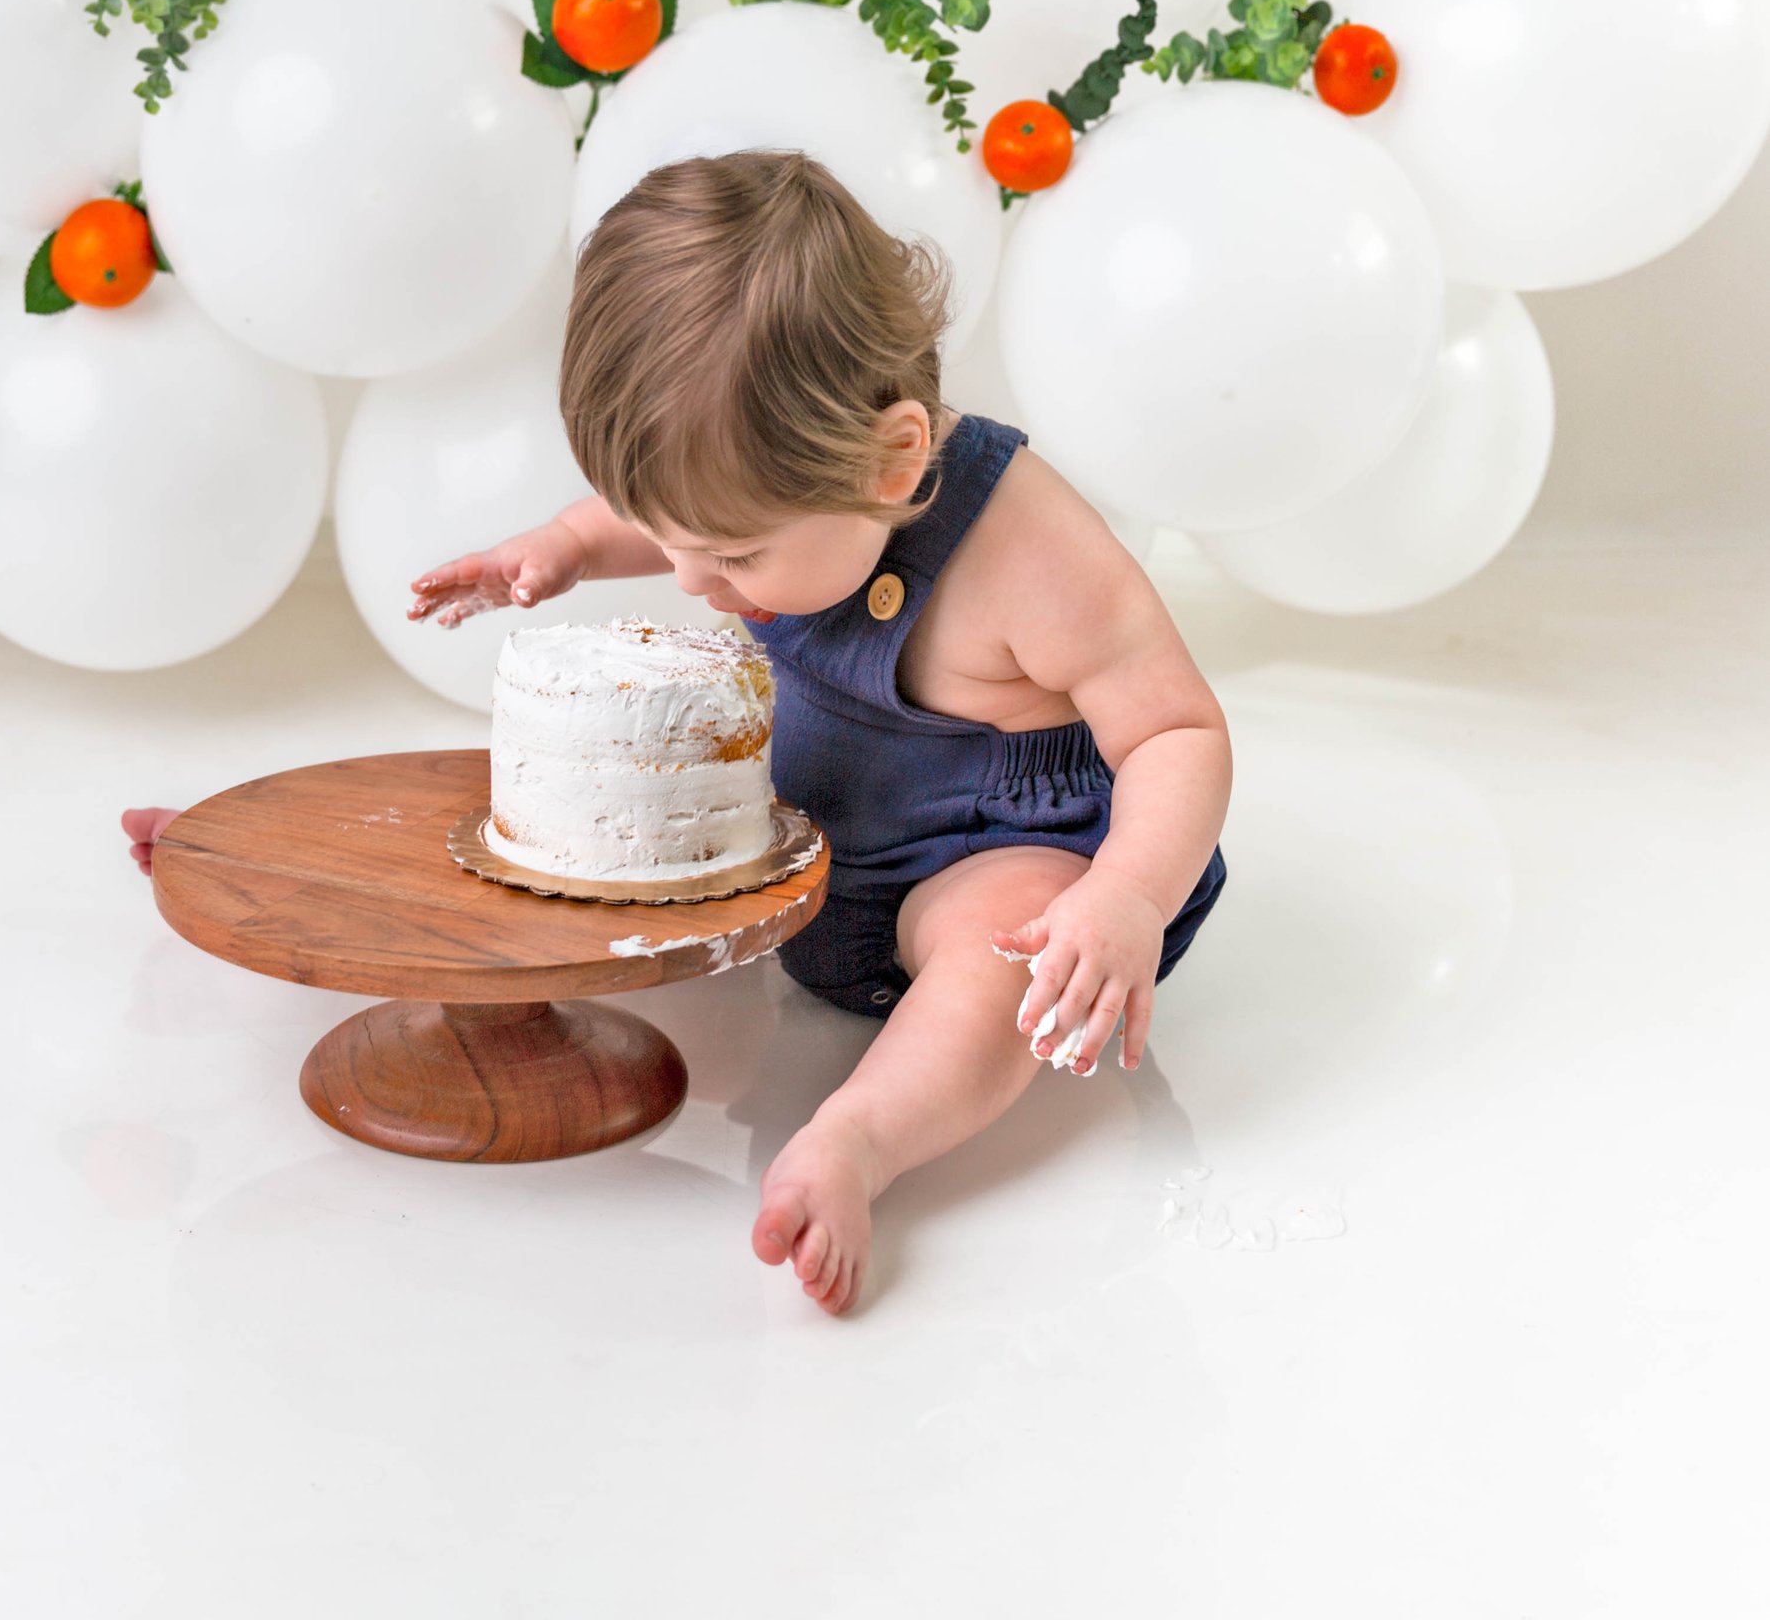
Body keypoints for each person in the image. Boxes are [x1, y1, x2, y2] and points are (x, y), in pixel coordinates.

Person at [126, 149, 1230, 1316]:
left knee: (992, 953)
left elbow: (1177, 731)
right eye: (668, 538)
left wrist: (1120, 900)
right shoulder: (771, 490)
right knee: (568, 821)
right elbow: (676, 507)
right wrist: (560, 541)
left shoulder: (1032, 555)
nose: (695, 580)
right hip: (808, 839)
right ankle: (259, 865)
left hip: (993, 853)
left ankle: (858, 1139)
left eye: (733, 553)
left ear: (894, 456)